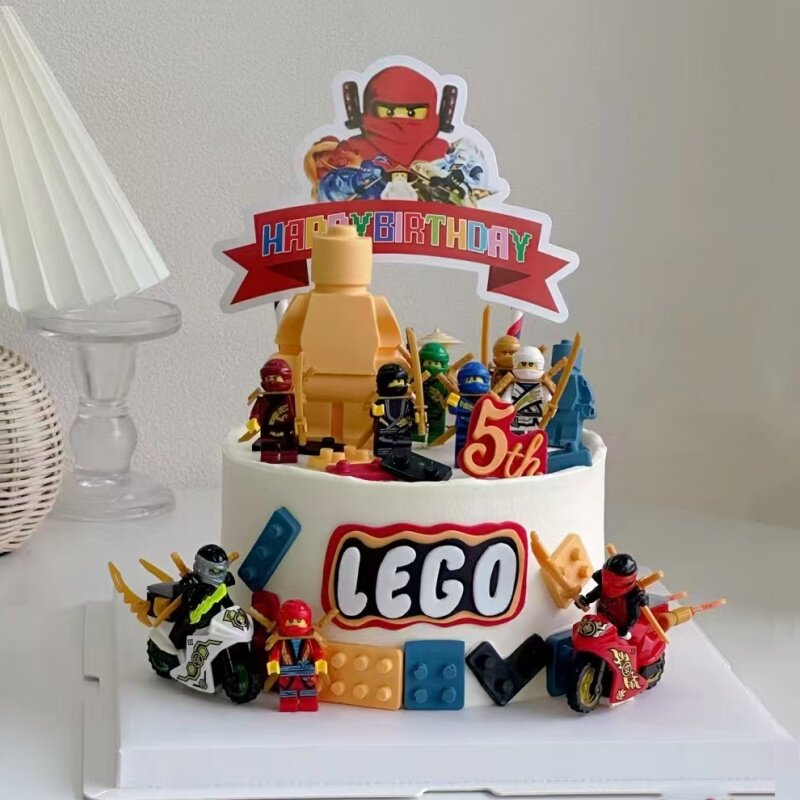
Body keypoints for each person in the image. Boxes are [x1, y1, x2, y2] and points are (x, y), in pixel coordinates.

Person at [169, 544, 235, 649]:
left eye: (221, 570)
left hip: (212, 621)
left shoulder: (221, 586)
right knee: (179, 640)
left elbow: (227, 602)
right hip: (194, 620)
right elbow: (187, 604)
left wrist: (235, 615)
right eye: (216, 571)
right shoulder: (194, 583)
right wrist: (190, 587)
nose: (220, 574)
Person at [576, 553, 647, 637]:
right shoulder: (604, 585)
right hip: (602, 614)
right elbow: (598, 591)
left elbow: (633, 614)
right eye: (606, 580)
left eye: (616, 584)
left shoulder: (632, 597)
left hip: (619, 623)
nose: (608, 585)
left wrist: (626, 627)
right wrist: (587, 600)